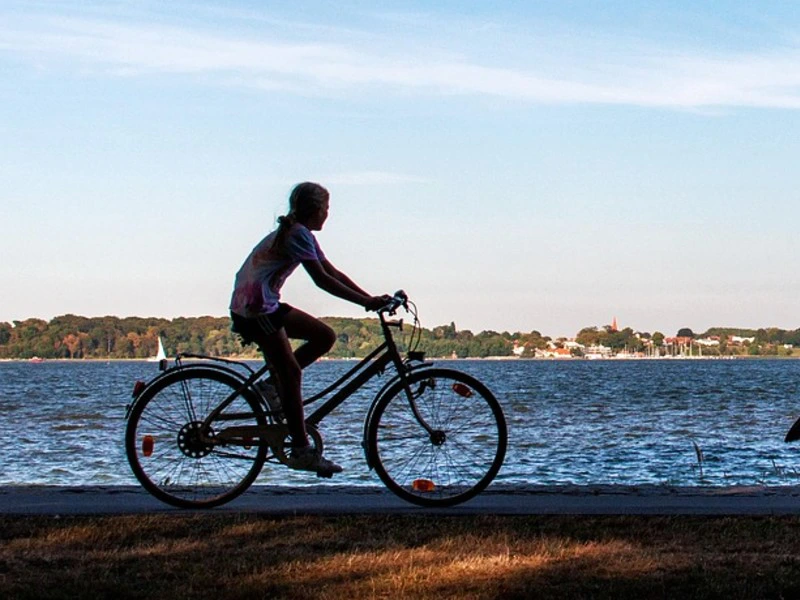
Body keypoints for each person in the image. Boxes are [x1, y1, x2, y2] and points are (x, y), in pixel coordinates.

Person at [229, 182, 389, 476]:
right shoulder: (297, 233)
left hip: (263, 303)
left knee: (324, 336)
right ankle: (302, 450)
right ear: (315, 210)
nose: (328, 214)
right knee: (291, 373)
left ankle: (270, 386)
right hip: (254, 308)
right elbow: (322, 281)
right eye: (326, 208)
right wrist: (365, 302)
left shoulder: (301, 233)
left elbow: (332, 271)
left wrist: (370, 299)